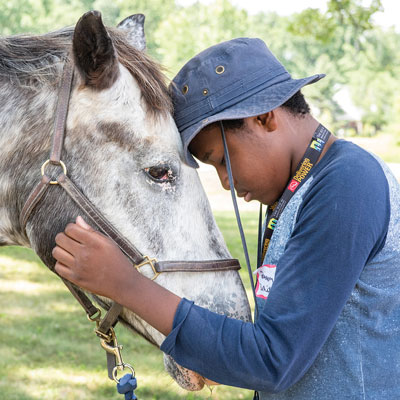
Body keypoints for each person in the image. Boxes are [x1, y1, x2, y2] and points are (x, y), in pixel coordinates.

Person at [52, 38, 400, 399]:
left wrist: (125, 284)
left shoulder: (346, 184)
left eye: (222, 159)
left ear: (264, 117)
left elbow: (273, 360)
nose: (225, 181)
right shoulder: (304, 188)